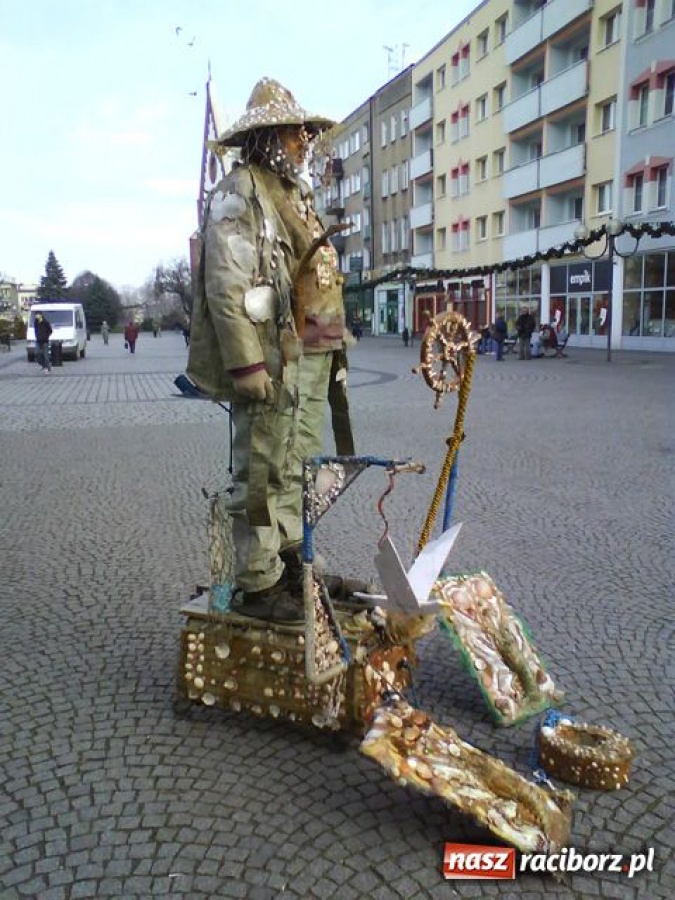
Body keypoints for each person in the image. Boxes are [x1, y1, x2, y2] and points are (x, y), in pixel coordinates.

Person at [187, 77, 353, 625]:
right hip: (271, 355)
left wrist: (330, 348)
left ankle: (288, 560)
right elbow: (227, 283)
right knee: (261, 467)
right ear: (265, 138)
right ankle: (257, 583)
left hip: (311, 352)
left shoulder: (293, 192)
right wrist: (246, 361)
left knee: (296, 465)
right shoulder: (239, 191)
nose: (305, 141)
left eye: (305, 132)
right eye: (294, 132)